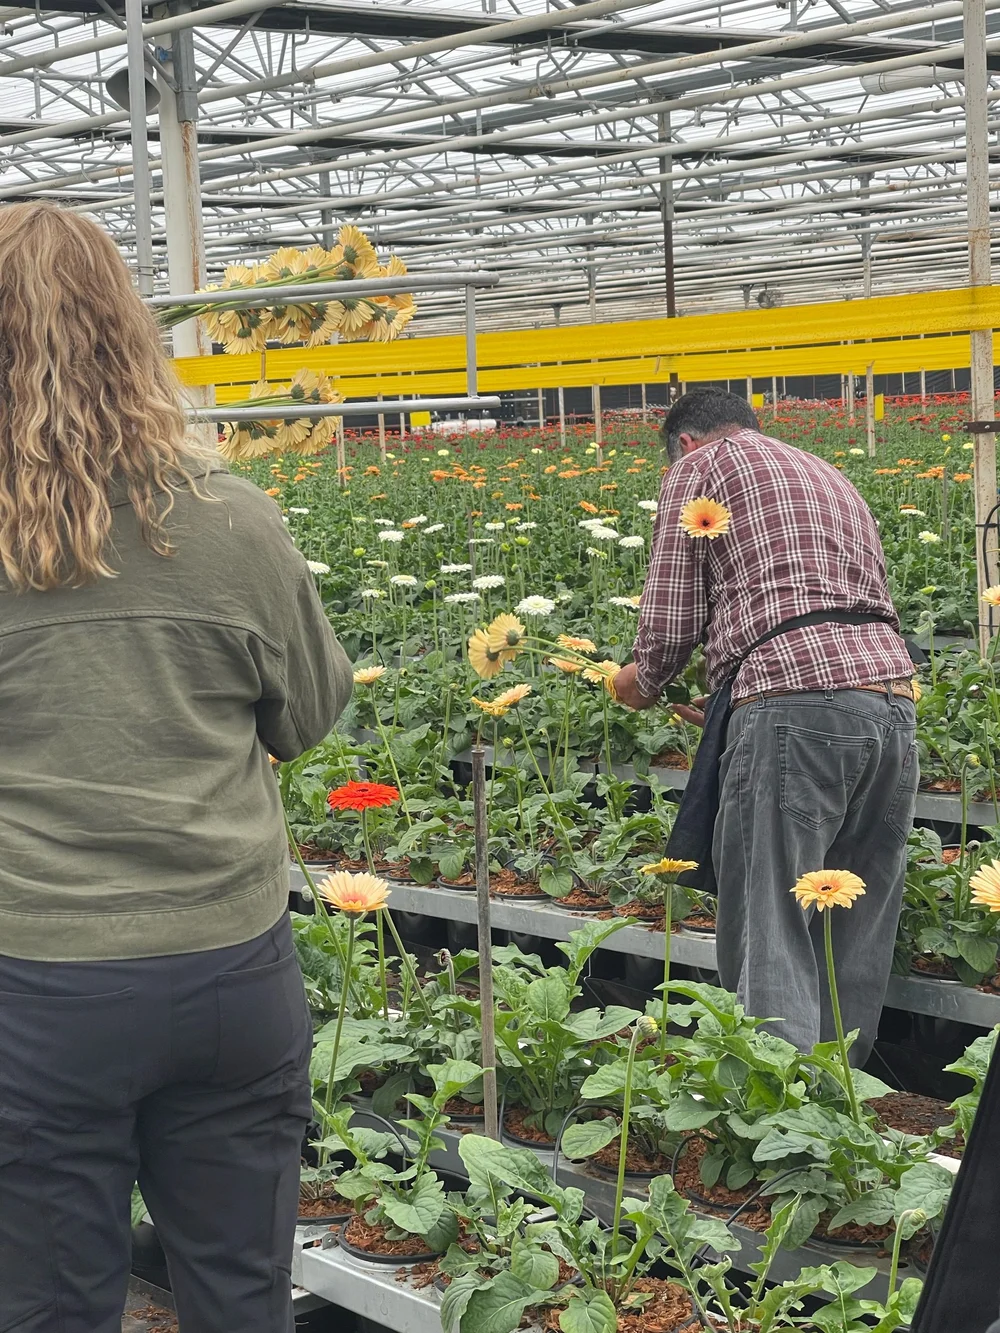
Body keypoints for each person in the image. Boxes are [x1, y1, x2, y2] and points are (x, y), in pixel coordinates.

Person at [0, 203, 353, 1333]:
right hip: (228, 970)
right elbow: (309, 714)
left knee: (51, 1302)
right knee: (242, 1289)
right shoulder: (232, 520)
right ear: (132, 334)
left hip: (39, 980)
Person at [614, 388, 917, 1063]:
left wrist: (638, 682)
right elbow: (816, 599)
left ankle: (776, 1095)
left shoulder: (700, 467)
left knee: (770, 917)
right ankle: (836, 1095)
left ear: (684, 443)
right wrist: (734, 697)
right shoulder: (827, 473)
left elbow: (669, 620)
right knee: (853, 917)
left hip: (791, 704)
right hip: (891, 701)